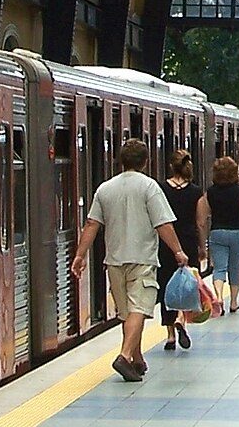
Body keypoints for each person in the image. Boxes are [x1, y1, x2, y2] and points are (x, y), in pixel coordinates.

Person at [72, 138, 192, 382]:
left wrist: (80, 255)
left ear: (120, 161)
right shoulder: (149, 187)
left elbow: (92, 223)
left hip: (114, 260)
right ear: (146, 162)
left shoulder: (105, 189)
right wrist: (178, 251)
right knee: (139, 309)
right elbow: (163, 224)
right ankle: (124, 356)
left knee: (126, 313)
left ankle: (137, 359)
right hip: (142, 259)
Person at [157, 150, 209, 353]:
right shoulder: (196, 192)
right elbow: (200, 222)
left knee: (166, 286)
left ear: (171, 166)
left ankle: (170, 335)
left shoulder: (161, 189)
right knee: (187, 285)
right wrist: (202, 247)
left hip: (166, 243)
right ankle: (181, 318)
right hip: (188, 242)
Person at [205, 156, 239, 313]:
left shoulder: (210, 191)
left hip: (217, 232)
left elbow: (205, 212)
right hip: (237, 233)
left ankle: (219, 297)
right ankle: (233, 302)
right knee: (234, 267)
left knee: (219, 268)